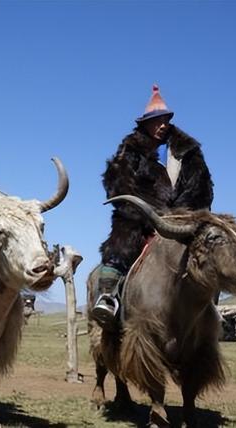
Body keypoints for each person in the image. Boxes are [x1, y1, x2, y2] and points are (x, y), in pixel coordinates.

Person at [90, 84, 214, 331]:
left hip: (183, 221)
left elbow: (201, 189)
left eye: (165, 120)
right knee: (120, 248)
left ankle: (209, 310)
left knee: (211, 256)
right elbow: (118, 184)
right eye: (156, 120)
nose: (162, 125)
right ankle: (108, 298)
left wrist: (180, 218)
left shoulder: (188, 152)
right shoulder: (130, 150)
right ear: (145, 123)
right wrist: (147, 214)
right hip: (140, 219)